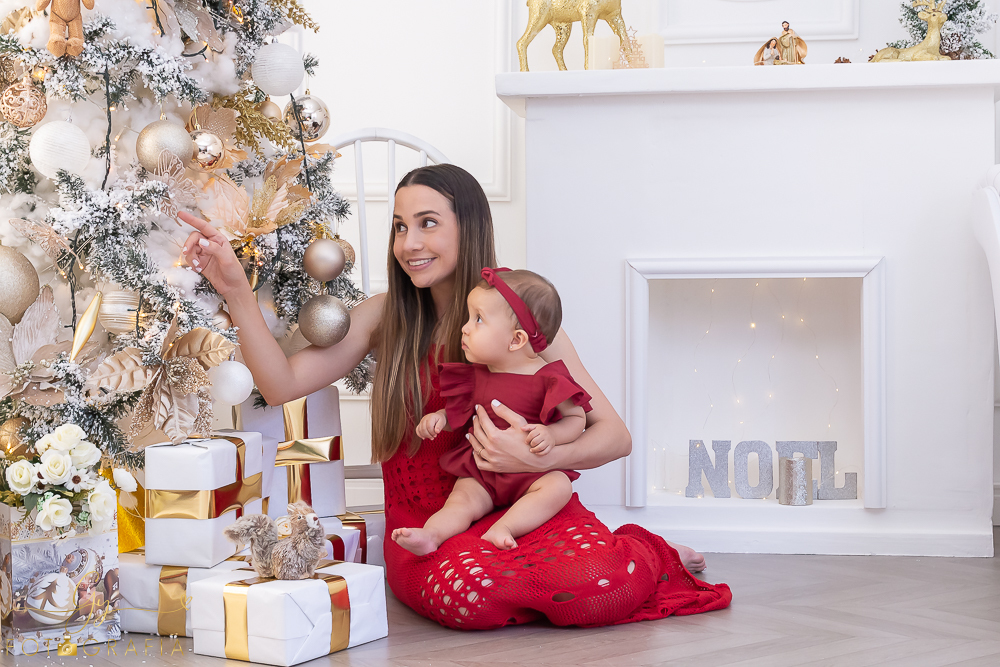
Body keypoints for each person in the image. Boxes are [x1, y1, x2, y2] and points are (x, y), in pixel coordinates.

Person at [179, 164, 731, 629]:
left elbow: (615, 434)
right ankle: (552, 581)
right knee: (464, 598)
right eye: (399, 227)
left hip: (525, 507)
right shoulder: (382, 316)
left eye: (427, 224)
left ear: (468, 228)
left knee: (597, 586)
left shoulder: (520, 317)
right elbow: (280, 384)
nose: (409, 244)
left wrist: (540, 456)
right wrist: (234, 288)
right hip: (432, 521)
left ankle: (640, 552)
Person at [393, 268, 592, 555]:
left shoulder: (550, 378)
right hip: (482, 470)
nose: (465, 327)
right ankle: (431, 535)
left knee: (559, 486)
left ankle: (506, 526)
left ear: (516, 340)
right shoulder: (476, 376)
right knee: (461, 501)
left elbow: (577, 419)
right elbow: (458, 412)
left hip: (531, 473)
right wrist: (440, 419)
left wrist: (551, 434)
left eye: (478, 319)